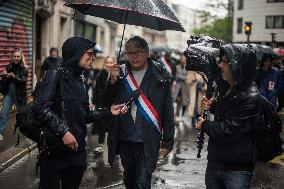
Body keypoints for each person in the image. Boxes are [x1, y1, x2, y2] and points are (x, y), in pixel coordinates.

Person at [32, 37, 128, 189]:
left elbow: (85, 115)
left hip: (77, 153)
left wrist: (109, 111)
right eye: (89, 53)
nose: (93, 57)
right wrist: (63, 132)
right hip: (53, 152)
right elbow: (39, 108)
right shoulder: (55, 75)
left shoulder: (81, 80)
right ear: (76, 54)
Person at [104, 36, 175, 188]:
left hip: (148, 137)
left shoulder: (160, 74)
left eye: (138, 52)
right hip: (126, 136)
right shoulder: (120, 73)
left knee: (143, 182)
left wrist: (168, 140)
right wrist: (112, 81)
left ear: (147, 53)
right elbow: (106, 102)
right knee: (129, 179)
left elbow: (168, 109)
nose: (134, 56)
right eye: (130, 52)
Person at [195, 44, 262, 189]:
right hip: (215, 164)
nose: (220, 65)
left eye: (225, 61)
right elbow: (228, 112)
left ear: (238, 65)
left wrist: (204, 124)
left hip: (235, 171)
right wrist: (212, 106)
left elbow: (228, 130)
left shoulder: (251, 96)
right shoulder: (229, 87)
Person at [0, 48, 28, 141]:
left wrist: (14, 77)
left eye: (18, 56)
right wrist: (4, 75)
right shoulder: (9, 66)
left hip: (19, 95)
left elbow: (23, 80)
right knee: (4, 114)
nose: (16, 58)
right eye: (14, 56)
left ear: (21, 57)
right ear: (12, 57)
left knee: (22, 115)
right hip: (8, 93)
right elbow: (5, 79)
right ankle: (0, 133)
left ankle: (27, 133)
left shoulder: (24, 68)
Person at [92, 56, 117, 153]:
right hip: (101, 103)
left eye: (111, 63)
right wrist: (94, 102)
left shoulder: (117, 75)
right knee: (101, 125)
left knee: (112, 126)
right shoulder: (101, 74)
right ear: (104, 63)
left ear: (114, 63)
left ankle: (112, 146)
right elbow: (96, 89)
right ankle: (101, 145)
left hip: (112, 104)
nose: (109, 65)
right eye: (107, 62)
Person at [172, 54, 189, 122]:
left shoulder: (187, 67)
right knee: (178, 101)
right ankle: (177, 116)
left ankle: (182, 115)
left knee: (185, 102)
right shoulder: (177, 67)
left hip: (185, 88)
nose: (182, 60)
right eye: (182, 59)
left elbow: (187, 78)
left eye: (184, 59)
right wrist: (181, 78)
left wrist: (181, 78)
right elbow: (176, 76)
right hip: (178, 87)